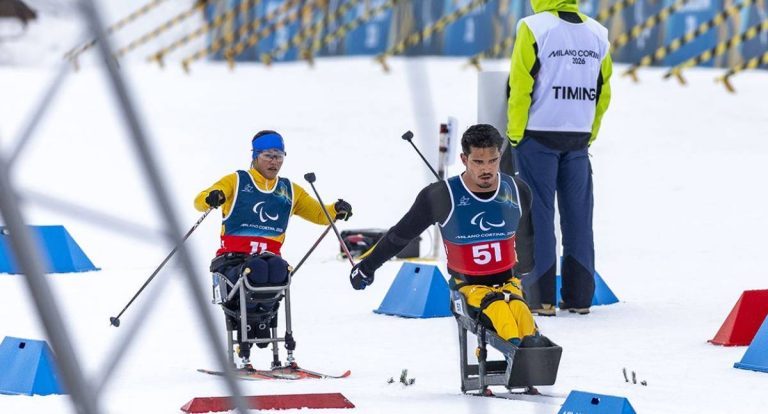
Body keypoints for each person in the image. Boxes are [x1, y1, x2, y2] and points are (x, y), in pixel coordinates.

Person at [348, 124, 538, 345]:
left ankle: (534, 356)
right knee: (502, 316)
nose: (486, 169)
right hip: (469, 288)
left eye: (493, 160)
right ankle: (521, 355)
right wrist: (366, 267)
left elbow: (527, 241)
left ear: (500, 156)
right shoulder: (441, 196)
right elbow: (400, 236)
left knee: (524, 318)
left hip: (508, 285)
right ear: (464, 159)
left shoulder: (517, 191)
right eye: (478, 162)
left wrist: (523, 270)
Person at [194, 130, 353, 365]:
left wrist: (336, 209)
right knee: (257, 269)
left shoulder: (289, 190)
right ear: (255, 156)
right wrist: (212, 197)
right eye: (268, 155)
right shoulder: (237, 181)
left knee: (279, 269)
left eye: (279, 156)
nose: (274, 162)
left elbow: (320, 214)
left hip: (269, 260)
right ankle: (247, 333)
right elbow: (199, 201)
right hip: (233, 261)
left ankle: (264, 329)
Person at [505, 0, 612, 316]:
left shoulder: (533, 27)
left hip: (537, 135)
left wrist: (515, 134)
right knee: (579, 219)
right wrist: (590, 132)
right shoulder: (598, 32)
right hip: (578, 137)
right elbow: (603, 91)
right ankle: (580, 298)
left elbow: (520, 85)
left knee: (537, 217)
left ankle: (542, 299)